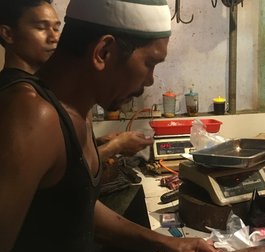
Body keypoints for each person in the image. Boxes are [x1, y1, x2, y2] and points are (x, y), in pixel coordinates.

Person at [0, 0, 219, 252]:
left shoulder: (78, 107)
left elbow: (77, 208)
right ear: (103, 52)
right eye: (150, 63)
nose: (150, 80)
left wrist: (169, 243)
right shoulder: (33, 115)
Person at [0, 0, 152, 160]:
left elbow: (55, 158)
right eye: (41, 27)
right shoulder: (23, 100)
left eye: (56, 28)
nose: (53, 37)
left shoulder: (42, 88)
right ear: (7, 34)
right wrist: (116, 146)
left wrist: (99, 142)